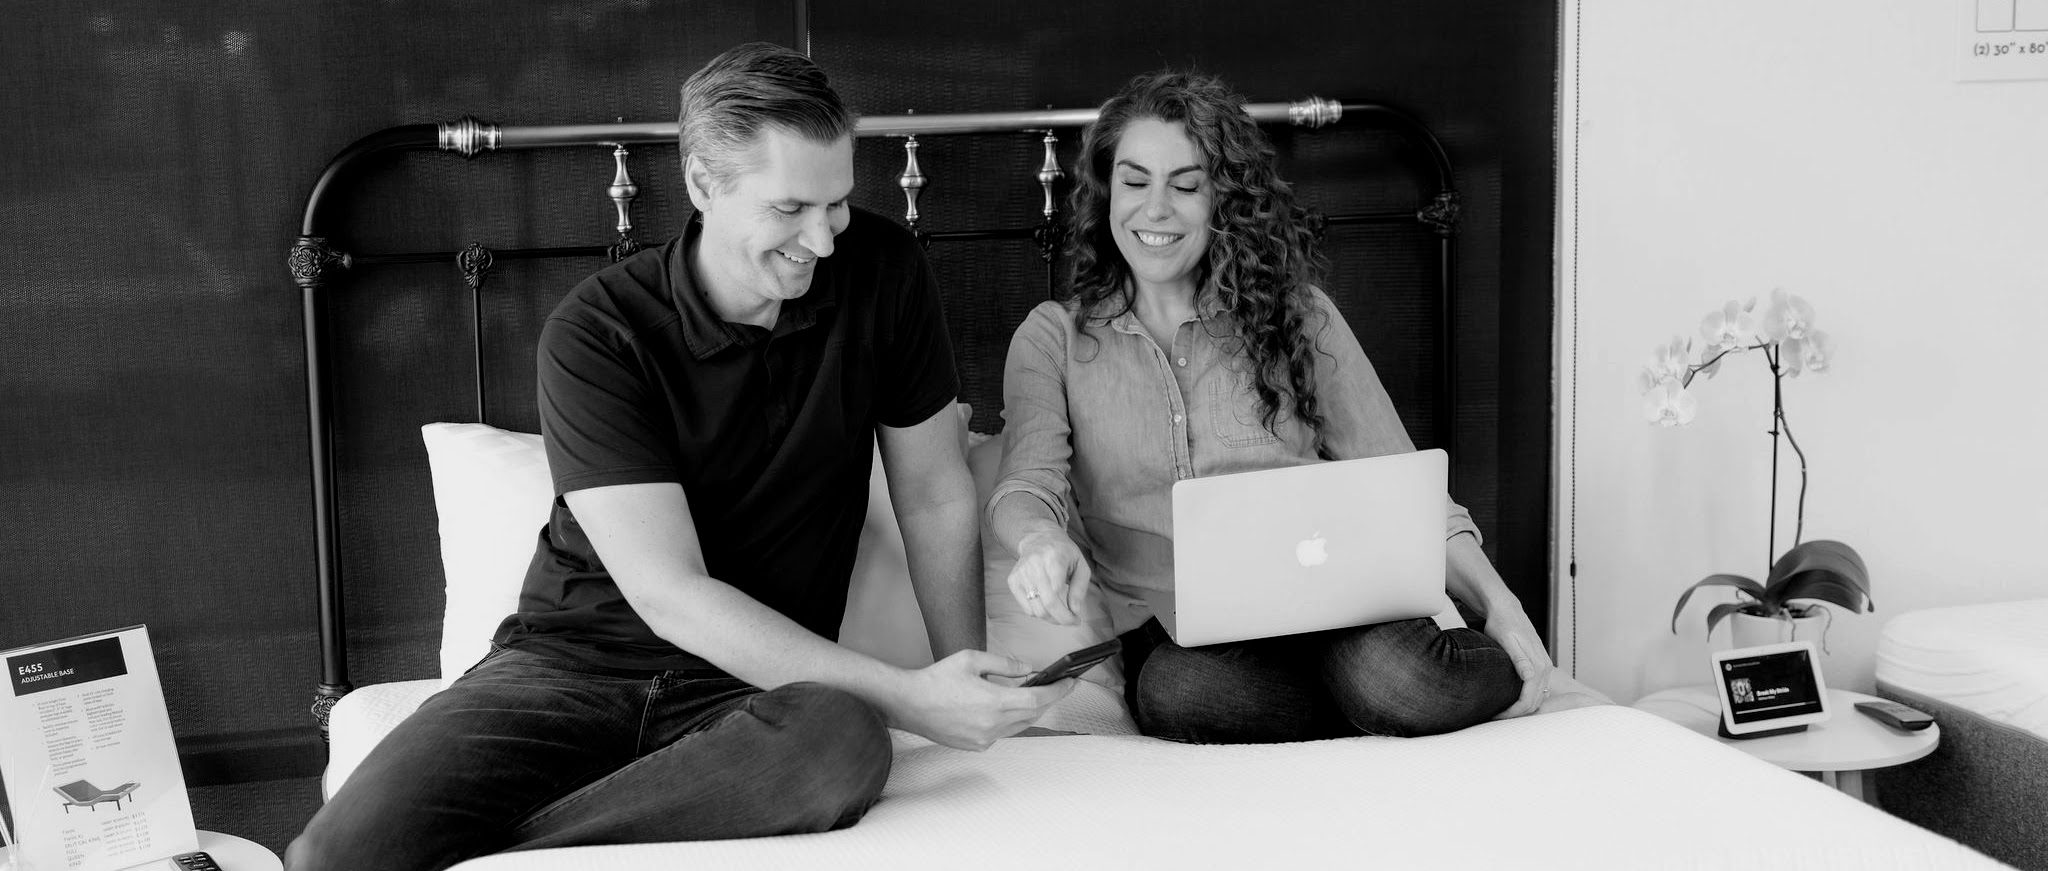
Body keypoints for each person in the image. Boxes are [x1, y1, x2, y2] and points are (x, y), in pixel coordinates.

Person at [289, 43, 1071, 870]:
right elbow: (672, 594)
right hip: (568, 670)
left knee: (841, 739)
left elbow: (936, 493)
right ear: (703, 184)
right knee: (336, 853)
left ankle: (514, 858)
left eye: (837, 204)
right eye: (791, 207)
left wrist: (961, 679)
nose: (825, 239)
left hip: (756, 691)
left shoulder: (885, 272)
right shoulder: (599, 333)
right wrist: (911, 696)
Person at [987, 70, 1606, 745]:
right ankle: (1367, 703)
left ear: (1223, 198)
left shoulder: (1298, 317)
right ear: (1107, 190)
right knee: (1178, 694)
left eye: (1186, 185)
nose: (1155, 209)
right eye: (1135, 182)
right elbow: (1027, 485)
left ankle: (1395, 687)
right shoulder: (1052, 338)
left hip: (1339, 608)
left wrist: (1504, 606)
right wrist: (1040, 541)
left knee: (1398, 678)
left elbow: (1404, 487)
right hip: (1189, 641)